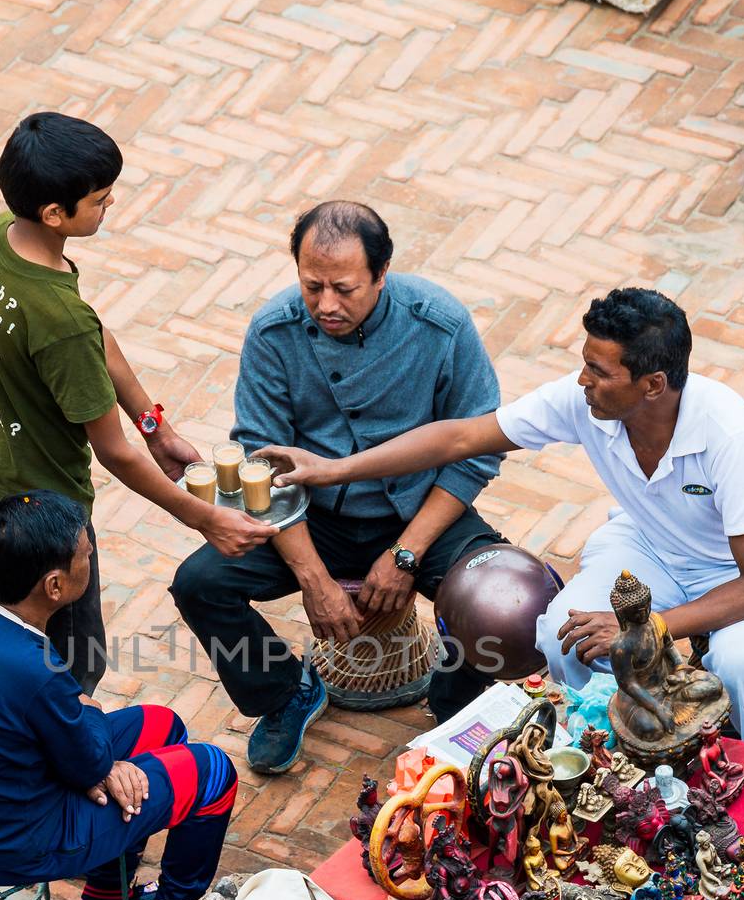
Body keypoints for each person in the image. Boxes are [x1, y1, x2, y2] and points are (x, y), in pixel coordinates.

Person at [262, 288, 744, 754]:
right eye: (584, 363)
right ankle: (617, 750)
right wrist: (336, 470)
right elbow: (461, 436)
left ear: (652, 384)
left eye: (599, 371)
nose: (582, 380)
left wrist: (647, 629)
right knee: (563, 634)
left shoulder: (727, 434)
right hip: (653, 545)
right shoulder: (587, 402)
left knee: (741, 661)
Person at [170, 201, 506, 773]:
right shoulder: (274, 332)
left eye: (345, 288)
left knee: (499, 601)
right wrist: (313, 579)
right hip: (308, 517)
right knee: (200, 583)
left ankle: (454, 709)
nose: (327, 305)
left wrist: (407, 553)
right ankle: (284, 694)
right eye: (312, 286)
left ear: (382, 272)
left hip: (417, 510)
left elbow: (478, 449)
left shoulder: (439, 325)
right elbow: (264, 469)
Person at [0, 111, 270, 694]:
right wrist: (204, 519)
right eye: (100, 200)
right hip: (45, 519)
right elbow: (115, 455)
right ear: (55, 213)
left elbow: (91, 334)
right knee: (74, 665)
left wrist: (155, 424)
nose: (110, 207)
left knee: (25, 642)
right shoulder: (59, 319)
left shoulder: (1, 239)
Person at [0, 491, 239, 900]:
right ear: (54, 586)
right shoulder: (33, 670)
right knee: (213, 773)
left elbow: (82, 754)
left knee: (162, 727)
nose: (90, 559)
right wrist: (94, 748)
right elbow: (87, 755)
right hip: (14, 842)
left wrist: (95, 764)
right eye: (85, 555)